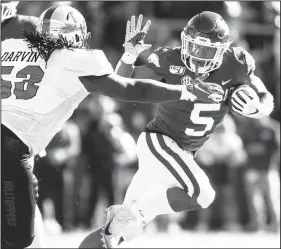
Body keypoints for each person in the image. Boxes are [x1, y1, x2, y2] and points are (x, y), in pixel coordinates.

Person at [1, 4, 224, 249]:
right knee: (18, 239)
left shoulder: (10, 45)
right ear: (76, 35)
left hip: (16, 145)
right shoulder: (73, 59)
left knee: (34, 208)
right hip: (11, 146)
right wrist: (185, 91)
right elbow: (131, 89)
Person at [80, 12, 274, 248]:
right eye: (192, 46)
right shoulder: (169, 58)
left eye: (205, 49)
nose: (196, 55)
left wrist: (259, 109)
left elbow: (265, 96)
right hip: (160, 143)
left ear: (222, 49)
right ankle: (132, 213)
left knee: (117, 234)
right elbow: (120, 85)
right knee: (202, 194)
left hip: (180, 152)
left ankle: (123, 219)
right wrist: (130, 54)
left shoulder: (237, 62)